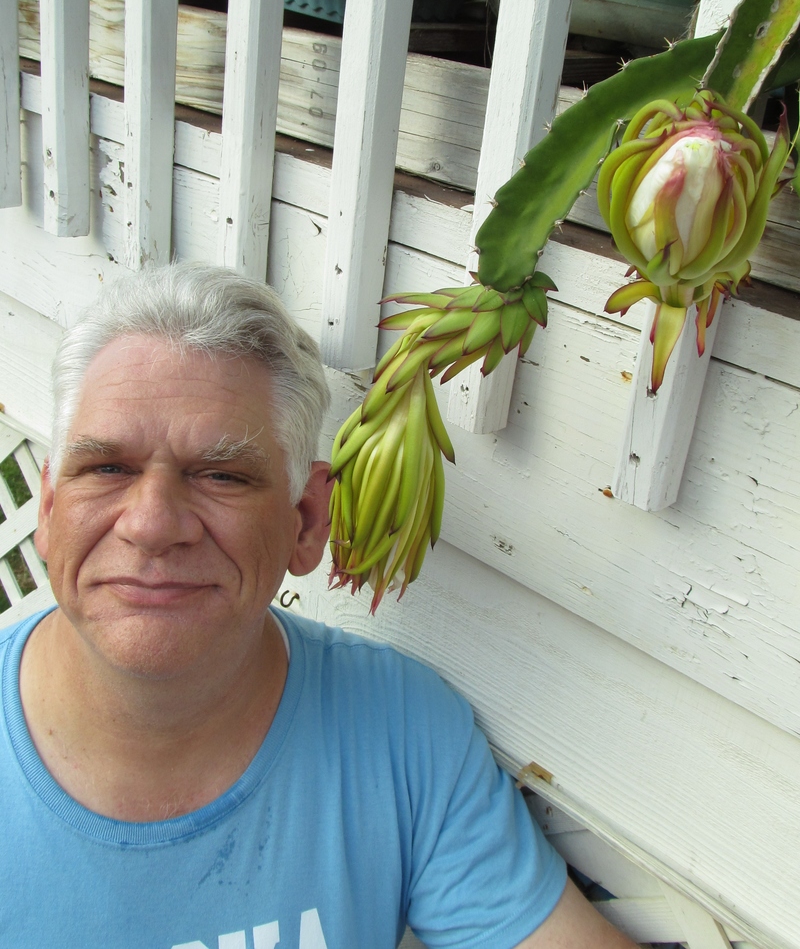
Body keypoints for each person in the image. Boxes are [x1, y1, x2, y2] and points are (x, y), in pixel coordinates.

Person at [0, 262, 636, 949]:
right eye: (107, 468)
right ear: (50, 506)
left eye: (221, 474)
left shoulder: (397, 733)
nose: (151, 523)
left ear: (306, 522)